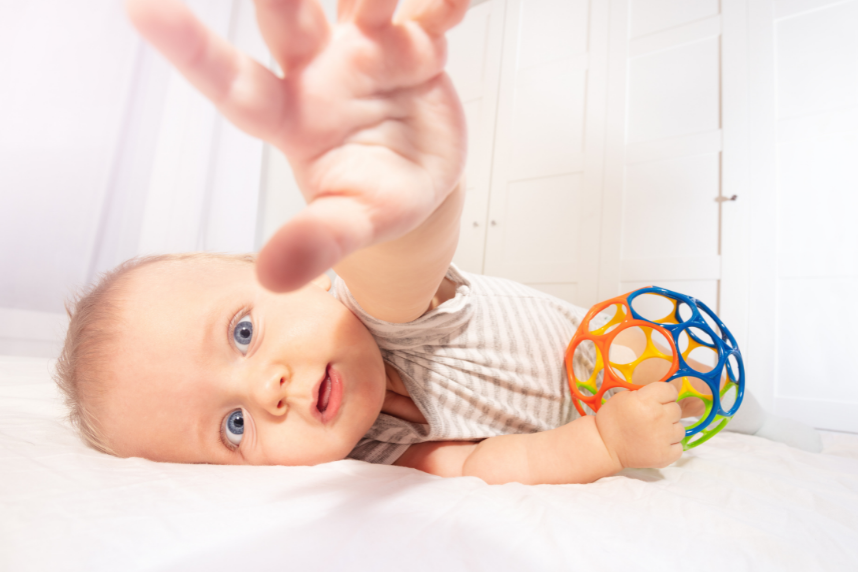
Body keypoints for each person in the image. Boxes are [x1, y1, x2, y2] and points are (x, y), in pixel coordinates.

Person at [54, 0, 821, 486]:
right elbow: (489, 462)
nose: (268, 391)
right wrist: (607, 448)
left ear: (305, 278)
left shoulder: (379, 311)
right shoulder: (375, 451)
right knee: (677, 419)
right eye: (233, 427)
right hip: (601, 408)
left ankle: (768, 421)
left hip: (612, 342)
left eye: (244, 332)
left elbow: (400, 265)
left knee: (721, 399)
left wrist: (394, 199)